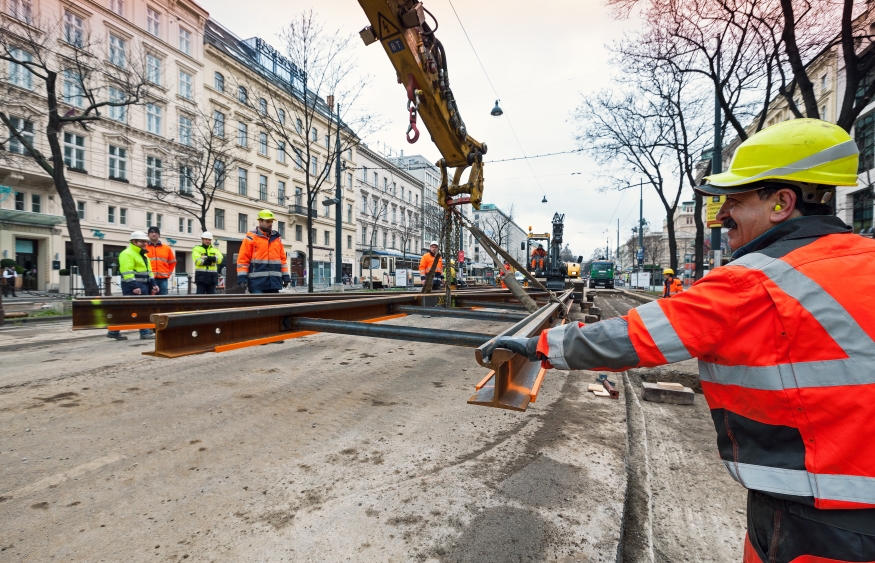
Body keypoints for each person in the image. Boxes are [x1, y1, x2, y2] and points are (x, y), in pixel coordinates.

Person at [485, 119, 875, 562]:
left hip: (819, 521)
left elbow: (635, 336)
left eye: (736, 201)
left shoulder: (753, 281)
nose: (722, 214)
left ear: (782, 203)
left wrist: (541, 346)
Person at [107, 231, 159, 341]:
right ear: (134, 242)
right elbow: (127, 272)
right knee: (139, 309)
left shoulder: (143, 255)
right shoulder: (127, 254)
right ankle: (144, 332)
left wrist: (153, 284)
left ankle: (114, 331)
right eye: (142, 241)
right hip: (133, 286)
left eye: (145, 241)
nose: (144, 243)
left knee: (133, 309)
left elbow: (149, 271)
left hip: (143, 285)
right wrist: (134, 286)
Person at [236, 210, 290, 294]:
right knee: (260, 306)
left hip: (274, 282)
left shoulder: (277, 239)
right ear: (260, 221)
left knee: (274, 307)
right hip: (257, 283)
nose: (270, 224)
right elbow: (243, 259)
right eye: (268, 221)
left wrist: (285, 276)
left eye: (271, 221)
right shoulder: (251, 238)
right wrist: (242, 277)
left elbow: (282, 260)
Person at [145, 227, 176, 295]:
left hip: (162, 279)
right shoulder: (144, 247)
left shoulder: (166, 248)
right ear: (148, 234)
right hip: (148, 278)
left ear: (159, 235)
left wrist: (168, 274)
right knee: (148, 300)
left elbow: (172, 262)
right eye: (152, 232)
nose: (154, 234)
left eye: (156, 232)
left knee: (162, 300)